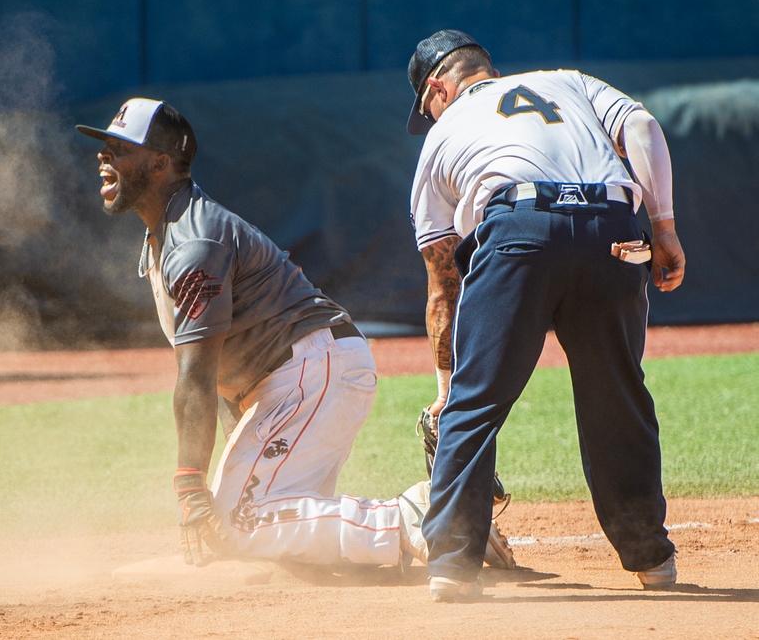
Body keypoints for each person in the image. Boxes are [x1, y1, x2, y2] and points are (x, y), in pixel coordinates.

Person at [76, 97, 516, 572]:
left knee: (239, 522)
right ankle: (420, 526)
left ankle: (420, 516)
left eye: (120, 147)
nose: (104, 155)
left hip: (311, 372)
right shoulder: (168, 233)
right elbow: (226, 369)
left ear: (160, 163)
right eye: (106, 145)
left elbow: (197, 375)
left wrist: (190, 486)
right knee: (265, 539)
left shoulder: (193, 242)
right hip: (303, 376)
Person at [403, 30, 686, 602]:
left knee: (476, 401)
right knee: (619, 395)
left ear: (437, 87)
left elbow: (443, 284)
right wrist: (664, 227)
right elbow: (643, 128)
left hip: (519, 228)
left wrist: (445, 389)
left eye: (426, 106)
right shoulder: (567, 83)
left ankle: (453, 567)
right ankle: (651, 559)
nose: (429, 117)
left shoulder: (440, 139)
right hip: (614, 226)